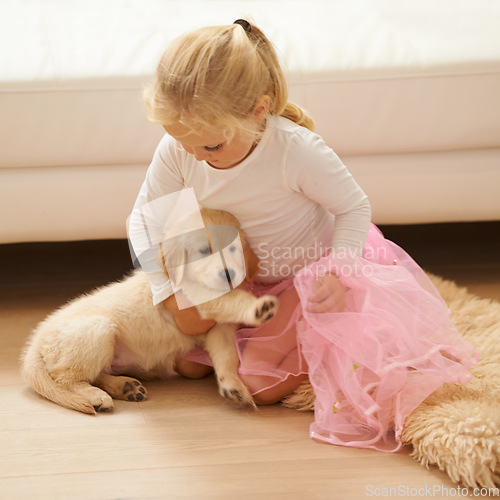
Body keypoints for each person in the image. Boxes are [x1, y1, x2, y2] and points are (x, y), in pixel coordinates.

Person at [129, 19, 478, 451]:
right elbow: (146, 217)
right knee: (189, 364)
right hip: (240, 273)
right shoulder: (182, 149)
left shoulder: (295, 150)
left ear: (259, 110)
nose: (194, 157)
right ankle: (256, 329)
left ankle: (320, 340)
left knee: (257, 382)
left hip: (307, 273)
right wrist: (167, 290)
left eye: (210, 147)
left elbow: (353, 207)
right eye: (180, 142)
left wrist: (340, 271)